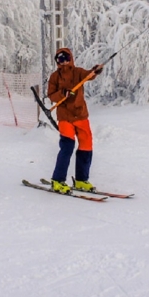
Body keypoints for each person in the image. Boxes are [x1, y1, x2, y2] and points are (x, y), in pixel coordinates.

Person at [47, 47, 104, 194]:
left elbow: (89, 75)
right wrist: (62, 93)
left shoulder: (78, 72)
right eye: (60, 59)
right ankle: (58, 181)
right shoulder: (55, 77)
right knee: (67, 146)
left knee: (86, 145)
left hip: (80, 114)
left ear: (70, 58)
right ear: (57, 61)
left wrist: (95, 71)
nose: (64, 62)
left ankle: (81, 180)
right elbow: (51, 95)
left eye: (66, 58)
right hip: (65, 116)